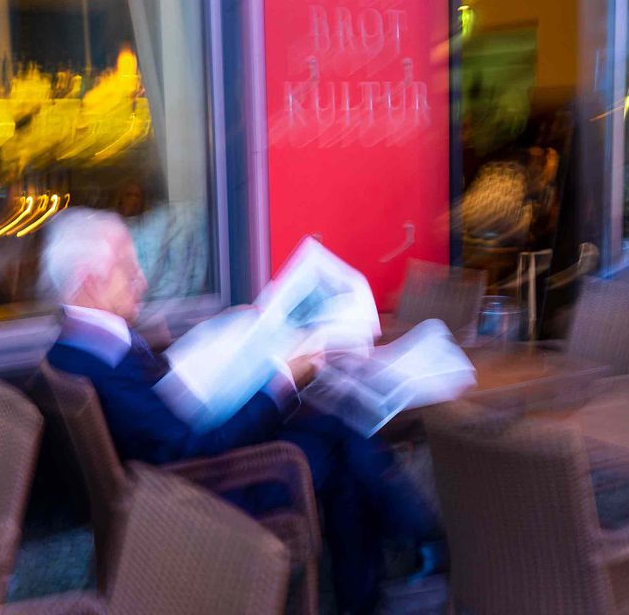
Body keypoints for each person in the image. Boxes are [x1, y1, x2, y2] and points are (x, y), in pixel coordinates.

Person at [42, 208, 440, 614]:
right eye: (128, 270)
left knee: (328, 424)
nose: (141, 281)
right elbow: (191, 448)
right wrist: (281, 382)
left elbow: (156, 406)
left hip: (167, 477)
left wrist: (230, 336)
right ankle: (411, 551)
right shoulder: (105, 359)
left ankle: (403, 557)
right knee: (336, 446)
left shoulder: (76, 347)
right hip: (196, 493)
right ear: (89, 282)